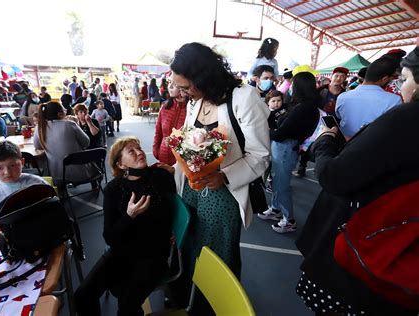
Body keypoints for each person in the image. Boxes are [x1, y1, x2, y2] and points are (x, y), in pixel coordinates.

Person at [295, 46, 419, 316]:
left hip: (366, 251)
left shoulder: (407, 118)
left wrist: (325, 143)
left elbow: (336, 177)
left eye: (407, 80)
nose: (403, 88)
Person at [170, 43, 270, 306]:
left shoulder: (244, 98)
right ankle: (189, 295)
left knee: (217, 250)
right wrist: (176, 165)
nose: (183, 93)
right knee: (190, 242)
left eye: (186, 86)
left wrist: (224, 177)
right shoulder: (197, 99)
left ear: (203, 77)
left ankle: (215, 303)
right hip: (193, 188)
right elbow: (191, 142)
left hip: (223, 194)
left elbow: (260, 155)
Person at [74, 136, 175, 316]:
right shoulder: (113, 189)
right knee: (82, 295)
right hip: (121, 253)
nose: (140, 152)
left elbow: (176, 206)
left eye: (139, 148)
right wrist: (129, 216)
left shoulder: (161, 176)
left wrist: (174, 172)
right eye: (131, 151)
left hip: (152, 254)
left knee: (127, 306)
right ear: (120, 164)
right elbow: (110, 237)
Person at [258, 65, 320, 233]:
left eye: (293, 84)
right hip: (285, 147)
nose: (290, 86)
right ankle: (276, 209)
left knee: (281, 185)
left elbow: (280, 134)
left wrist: (265, 130)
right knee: (277, 181)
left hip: (285, 147)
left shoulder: (303, 109)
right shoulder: (304, 106)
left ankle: (289, 219)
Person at [0, 140, 48, 228]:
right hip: (3, 235)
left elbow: (54, 210)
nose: (7, 173)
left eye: (12, 166)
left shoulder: (38, 184)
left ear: (22, 163)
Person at [33, 101, 96, 188]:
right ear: (59, 114)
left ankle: (62, 191)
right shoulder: (70, 124)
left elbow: (37, 146)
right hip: (81, 173)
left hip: (57, 175)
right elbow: (86, 143)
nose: (65, 110)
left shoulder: (40, 127)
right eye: (63, 109)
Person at [335, 57, 402, 139]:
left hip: (344, 146)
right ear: (384, 79)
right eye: (391, 78)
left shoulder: (342, 97)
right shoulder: (394, 101)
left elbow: (339, 117)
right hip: (374, 147)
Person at [153, 76, 187, 165]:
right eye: (169, 82)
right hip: (163, 157)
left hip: (182, 161)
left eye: (175, 84)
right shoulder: (165, 106)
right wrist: (156, 151)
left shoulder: (192, 109)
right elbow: (158, 132)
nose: (170, 86)